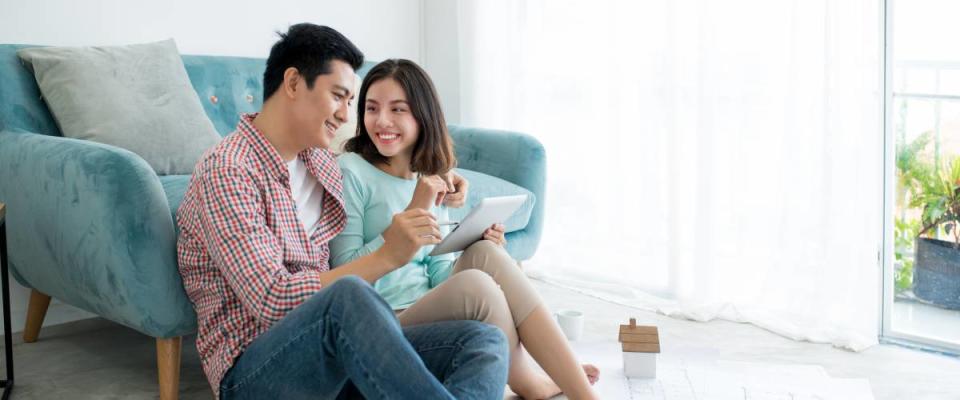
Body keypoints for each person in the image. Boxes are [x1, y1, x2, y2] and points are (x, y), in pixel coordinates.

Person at [176, 24, 509, 400]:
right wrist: (386, 255)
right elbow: (271, 299)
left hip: (340, 358)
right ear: (293, 83)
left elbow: (385, 167)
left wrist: (443, 176)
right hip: (256, 372)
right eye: (338, 96)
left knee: (482, 341)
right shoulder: (228, 170)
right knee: (348, 294)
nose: (344, 113)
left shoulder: (319, 161)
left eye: (351, 102)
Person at [329, 59, 600, 400]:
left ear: (422, 115)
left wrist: (473, 244)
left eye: (398, 109)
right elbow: (345, 275)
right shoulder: (351, 171)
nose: (382, 121)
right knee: (475, 285)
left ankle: (575, 389)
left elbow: (437, 268)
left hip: (427, 309)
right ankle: (531, 384)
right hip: (380, 319)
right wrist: (417, 207)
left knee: (484, 254)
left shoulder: (430, 177)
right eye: (371, 108)